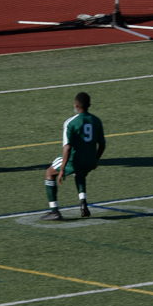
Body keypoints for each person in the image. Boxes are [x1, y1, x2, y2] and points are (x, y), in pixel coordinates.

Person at [42, 92, 106, 220]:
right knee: (80, 173)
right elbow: (102, 144)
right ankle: (83, 203)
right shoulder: (96, 120)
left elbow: (67, 148)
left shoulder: (70, 122)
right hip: (89, 161)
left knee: (49, 173)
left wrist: (62, 169)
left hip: (74, 161)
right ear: (89, 105)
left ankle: (54, 211)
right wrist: (95, 160)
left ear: (76, 105)